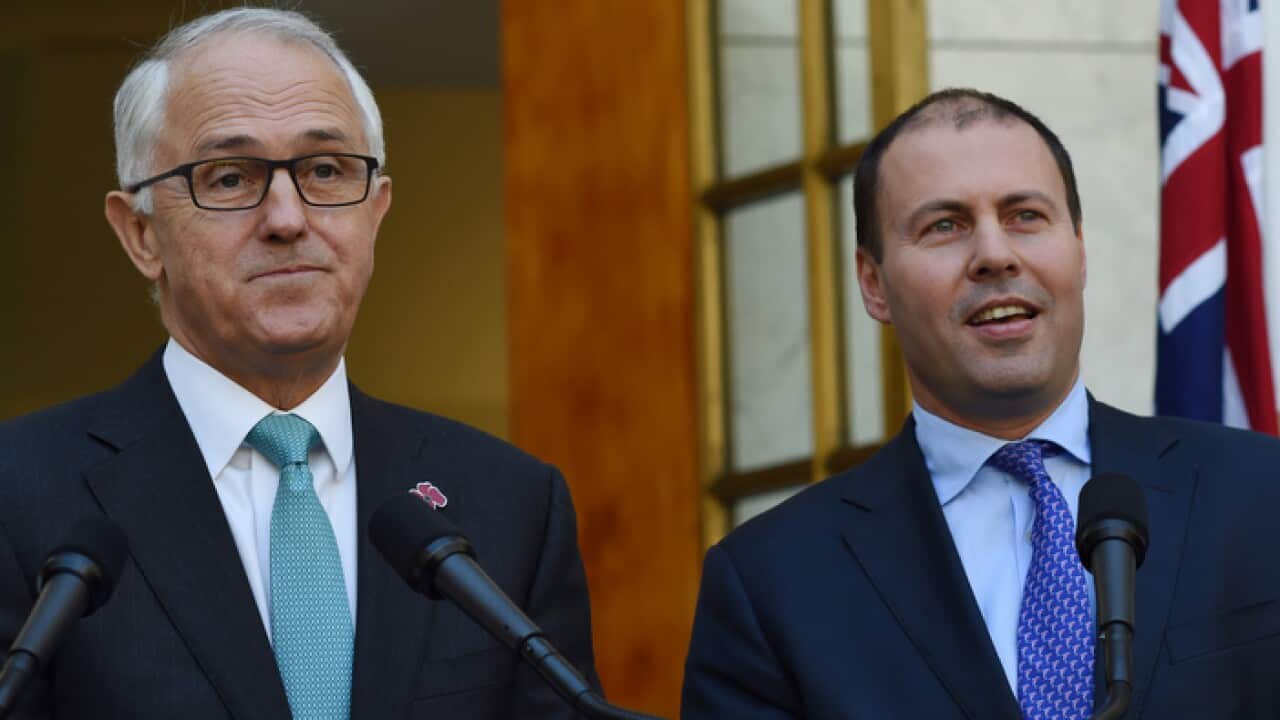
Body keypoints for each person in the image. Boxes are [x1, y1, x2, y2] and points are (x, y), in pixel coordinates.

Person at [0, 8, 598, 719]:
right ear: (140, 234)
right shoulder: (21, 495)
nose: (288, 218)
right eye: (228, 178)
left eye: (324, 170)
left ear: (375, 212)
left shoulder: (510, 503)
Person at [682, 88, 1280, 719]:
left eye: (1025, 215)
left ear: (1079, 248)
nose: (995, 255)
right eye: (945, 226)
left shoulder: (1262, 493)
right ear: (872, 283)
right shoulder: (772, 583)